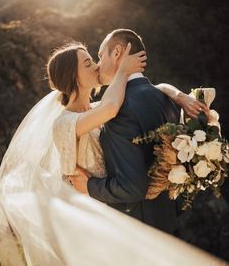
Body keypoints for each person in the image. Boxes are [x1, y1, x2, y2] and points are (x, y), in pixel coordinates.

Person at [0, 37, 207, 266]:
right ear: (73, 77)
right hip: (90, 216)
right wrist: (123, 70)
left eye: (94, 60)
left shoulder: (94, 110)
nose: (96, 65)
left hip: (114, 207)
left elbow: (156, 88)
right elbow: (112, 107)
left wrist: (177, 95)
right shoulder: (65, 122)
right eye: (87, 64)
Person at [70, 29, 208, 234]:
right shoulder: (165, 99)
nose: (98, 64)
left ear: (117, 53)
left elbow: (131, 187)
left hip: (136, 229)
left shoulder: (117, 110)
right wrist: (177, 93)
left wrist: (90, 186)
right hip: (166, 220)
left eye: (100, 55)